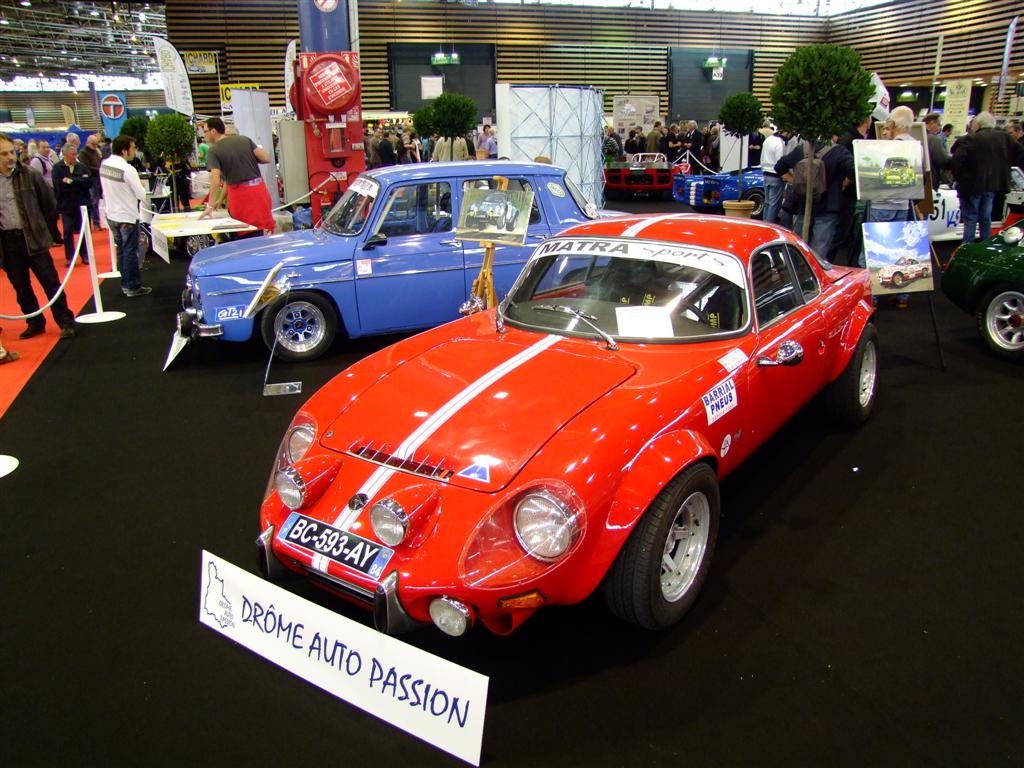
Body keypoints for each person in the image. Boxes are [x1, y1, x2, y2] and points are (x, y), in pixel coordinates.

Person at [0, 132, 77, 340]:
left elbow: (49, 204)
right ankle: (34, 322)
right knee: (20, 286)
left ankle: (65, 320)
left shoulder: (30, 174)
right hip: (8, 242)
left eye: (11, 152)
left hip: (34, 238)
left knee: (50, 282)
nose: (10, 157)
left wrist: (43, 230)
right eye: (4, 154)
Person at [950, 111, 1024, 245]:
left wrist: (958, 177)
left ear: (978, 124)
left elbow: (956, 160)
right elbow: (1020, 151)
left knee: (971, 217)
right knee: (985, 217)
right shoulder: (1005, 138)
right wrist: (1005, 166)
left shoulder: (970, 139)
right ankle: (985, 244)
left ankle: (967, 247)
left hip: (971, 185)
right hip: (992, 185)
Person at [776, 136, 855, 258]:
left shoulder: (801, 149)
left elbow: (779, 166)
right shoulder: (839, 152)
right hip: (828, 206)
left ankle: (799, 267)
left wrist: (795, 181)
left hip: (802, 204)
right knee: (820, 248)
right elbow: (854, 170)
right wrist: (844, 183)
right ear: (834, 135)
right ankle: (816, 268)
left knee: (799, 246)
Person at [199, 117, 275, 234]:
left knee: (244, 232)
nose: (204, 135)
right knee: (259, 231)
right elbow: (266, 158)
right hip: (259, 191)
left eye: (205, 131)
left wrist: (209, 206)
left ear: (213, 131)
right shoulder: (245, 140)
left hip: (240, 196)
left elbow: (215, 180)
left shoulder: (214, 150)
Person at [100, 136, 151, 297]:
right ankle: (132, 286)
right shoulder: (128, 169)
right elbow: (141, 194)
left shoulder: (104, 165)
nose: (135, 151)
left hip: (112, 214)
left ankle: (125, 284)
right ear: (124, 150)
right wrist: (141, 186)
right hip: (126, 215)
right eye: (133, 147)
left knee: (122, 251)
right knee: (130, 252)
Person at [52, 143, 93, 267]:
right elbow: (59, 184)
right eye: (72, 154)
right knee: (67, 231)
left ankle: (85, 254)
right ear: (65, 154)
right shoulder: (57, 168)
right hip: (66, 205)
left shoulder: (82, 166)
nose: (75, 156)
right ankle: (70, 257)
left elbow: (88, 182)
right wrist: (77, 181)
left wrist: (71, 180)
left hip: (82, 204)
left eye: (76, 154)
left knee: (83, 231)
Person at [760, 127, 791, 225]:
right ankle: (770, 225)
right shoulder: (780, 143)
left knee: (767, 202)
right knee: (774, 204)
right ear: (787, 132)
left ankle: (764, 224)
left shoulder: (768, 140)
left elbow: (762, 157)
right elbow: (780, 162)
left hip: (766, 174)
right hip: (775, 175)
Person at [79, 133, 103, 229]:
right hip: (91, 179)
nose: (95, 146)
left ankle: (97, 221)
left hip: (97, 178)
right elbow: (86, 167)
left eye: (96, 144)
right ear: (88, 143)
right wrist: (98, 170)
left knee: (97, 201)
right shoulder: (83, 153)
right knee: (94, 201)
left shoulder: (95, 151)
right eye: (94, 144)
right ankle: (95, 222)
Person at [922, 112, 952, 189]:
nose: (939, 128)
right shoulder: (933, 139)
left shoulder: (917, 136)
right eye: (939, 124)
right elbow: (943, 161)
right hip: (930, 181)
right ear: (932, 123)